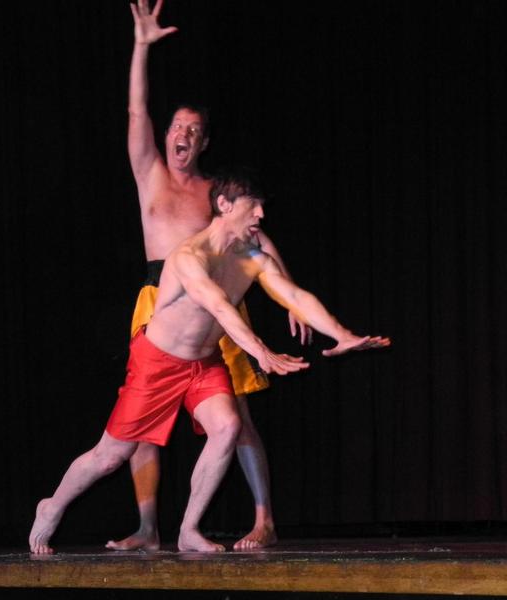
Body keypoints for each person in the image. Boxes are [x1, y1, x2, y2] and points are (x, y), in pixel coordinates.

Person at [28, 172, 390, 555]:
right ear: (224, 205)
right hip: (157, 364)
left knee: (228, 425)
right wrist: (259, 350)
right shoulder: (189, 256)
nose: (261, 214)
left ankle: (189, 529)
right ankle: (51, 506)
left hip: (204, 363)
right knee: (110, 456)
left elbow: (295, 296)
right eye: (253, 205)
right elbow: (218, 305)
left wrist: (341, 334)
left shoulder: (251, 258)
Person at [106, 0, 311, 552]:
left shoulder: (213, 192)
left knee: (235, 414)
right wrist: (141, 47)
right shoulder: (149, 173)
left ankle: (264, 519)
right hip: (158, 300)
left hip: (215, 306)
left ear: (203, 143)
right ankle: (148, 528)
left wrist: (289, 295)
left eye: (193, 131)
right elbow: (136, 112)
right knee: (142, 421)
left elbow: (257, 239)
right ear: (167, 135)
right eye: (177, 127)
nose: (183, 136)